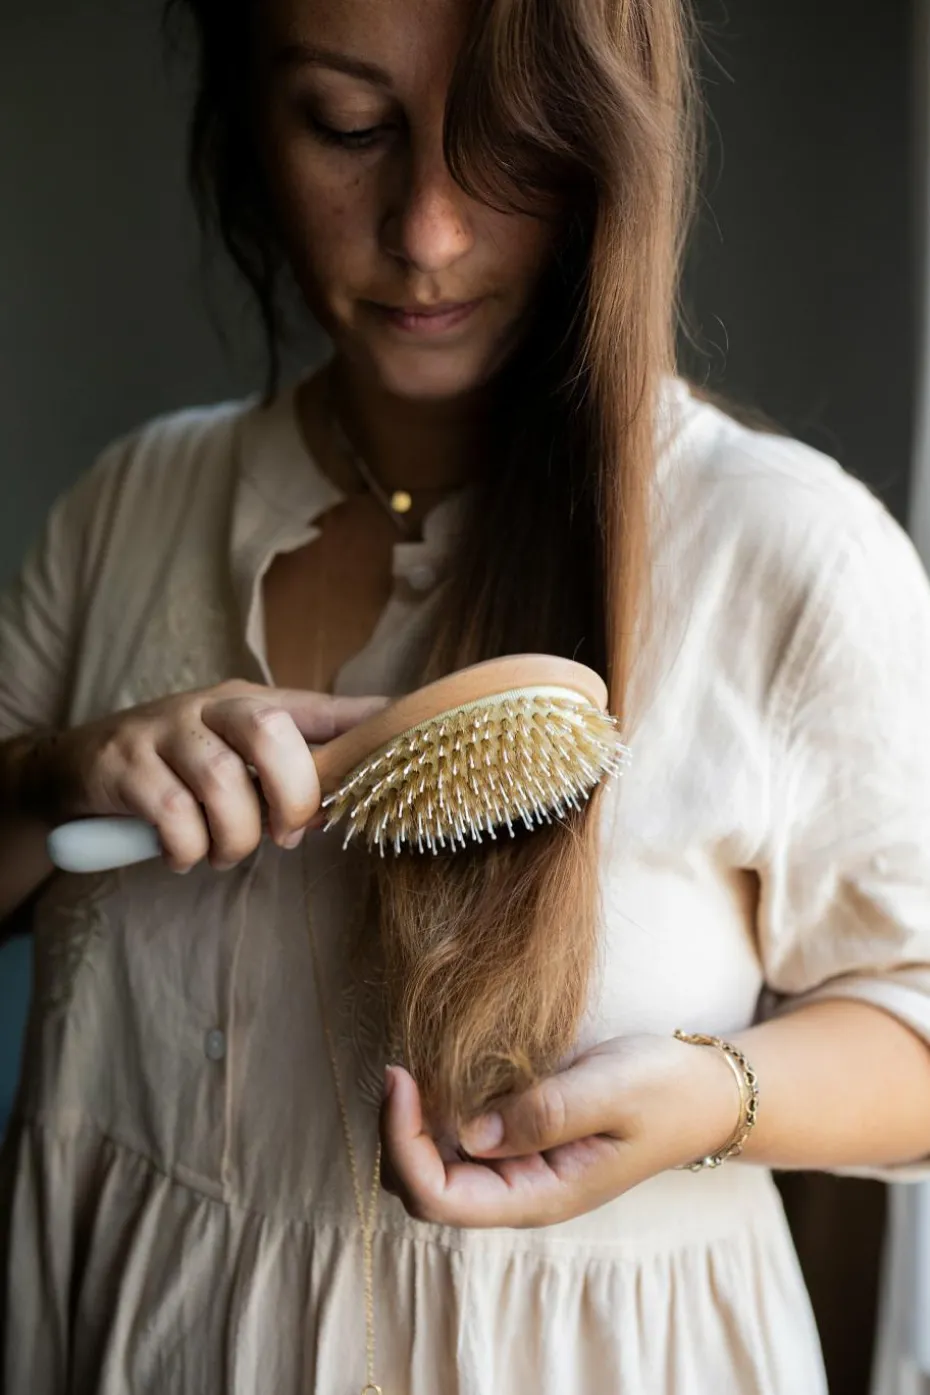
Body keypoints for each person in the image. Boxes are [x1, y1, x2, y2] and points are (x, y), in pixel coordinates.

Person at [3, 0, 930, 1390]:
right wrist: (54, 771)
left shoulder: (782, 550)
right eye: (348, 126)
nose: (426, 230)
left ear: (607, 139)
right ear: (249, 119)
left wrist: (706, 1099)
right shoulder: (128, 508)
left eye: (501, 140)